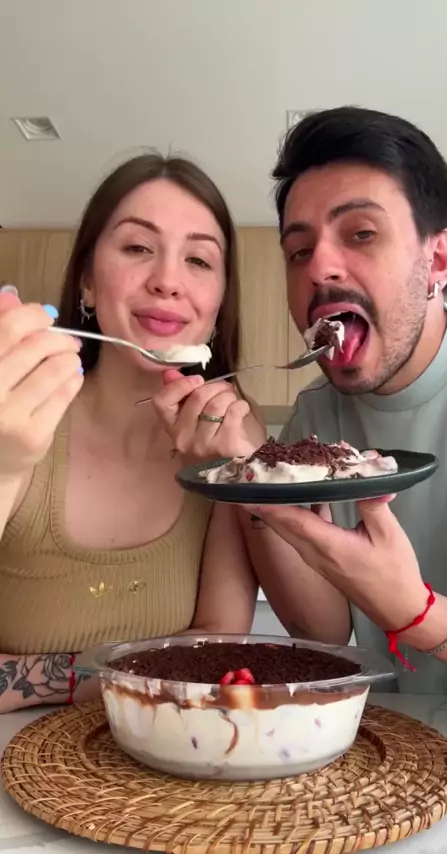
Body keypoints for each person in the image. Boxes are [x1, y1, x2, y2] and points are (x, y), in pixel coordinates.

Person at [154, 107, 447, 696]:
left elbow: (401, 614)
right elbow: (323, 627)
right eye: (299, 251)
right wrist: (253, 473)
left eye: (361, 234)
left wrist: (417, 613)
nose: (320, 268)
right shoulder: (314, 416)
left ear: (437, 259)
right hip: (389, 738)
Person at [0, 153, 262, 714]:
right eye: (138, 247)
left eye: (198, 260)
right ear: (88, 282)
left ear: (218, 306)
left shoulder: (233, 436)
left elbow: (218, 644)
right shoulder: (18, 417)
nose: (168, 280)